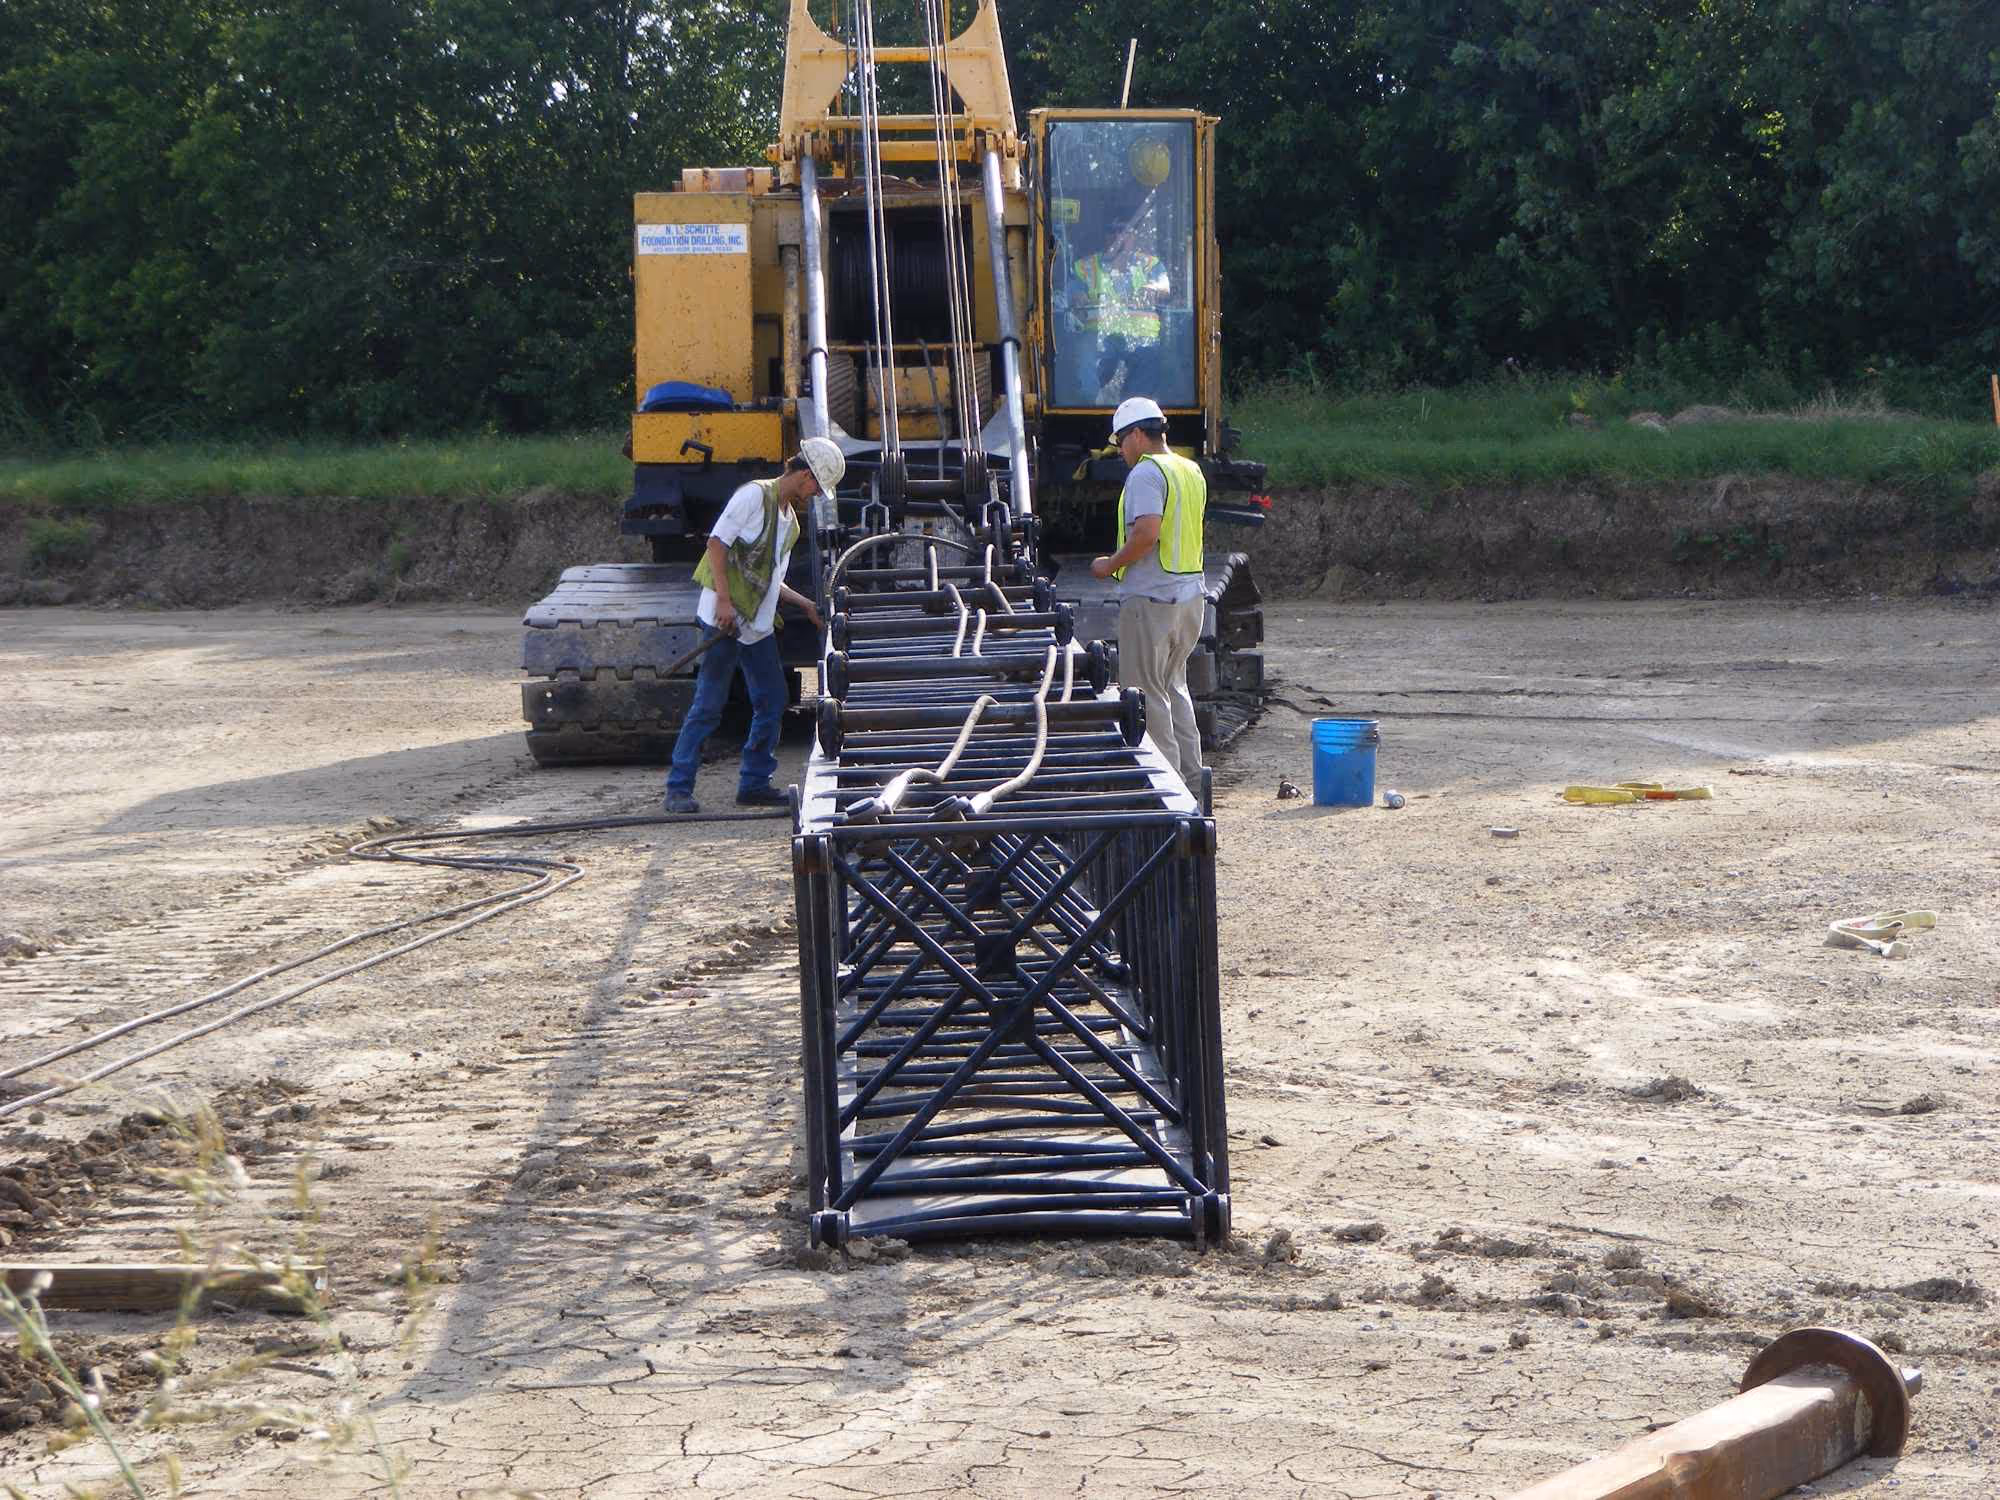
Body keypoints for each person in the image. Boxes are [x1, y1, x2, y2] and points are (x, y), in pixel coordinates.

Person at [662, 437, 844, 814]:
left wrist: (806, 604)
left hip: (755, 625)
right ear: (806, 475)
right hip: (722, 618)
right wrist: (725, 602)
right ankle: (678, 788)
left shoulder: (789, 523)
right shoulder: (753, 496)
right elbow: (717, 545)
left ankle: (755, 783)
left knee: (773, 700)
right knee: (709, 705)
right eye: (815, 487)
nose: (813, 495)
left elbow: (772, 578)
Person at [1090, 395, 1207, 786]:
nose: (1120, 449)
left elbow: (1146, 534)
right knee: (1175, 687)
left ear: (1139, 434)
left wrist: (1109, 565)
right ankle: (1192, 779)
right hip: (1190, 598)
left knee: (1146, 694)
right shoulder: (1189, 469)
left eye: (1121, 440)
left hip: (1152, 600)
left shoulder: (1145, 473)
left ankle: (1167, 792)